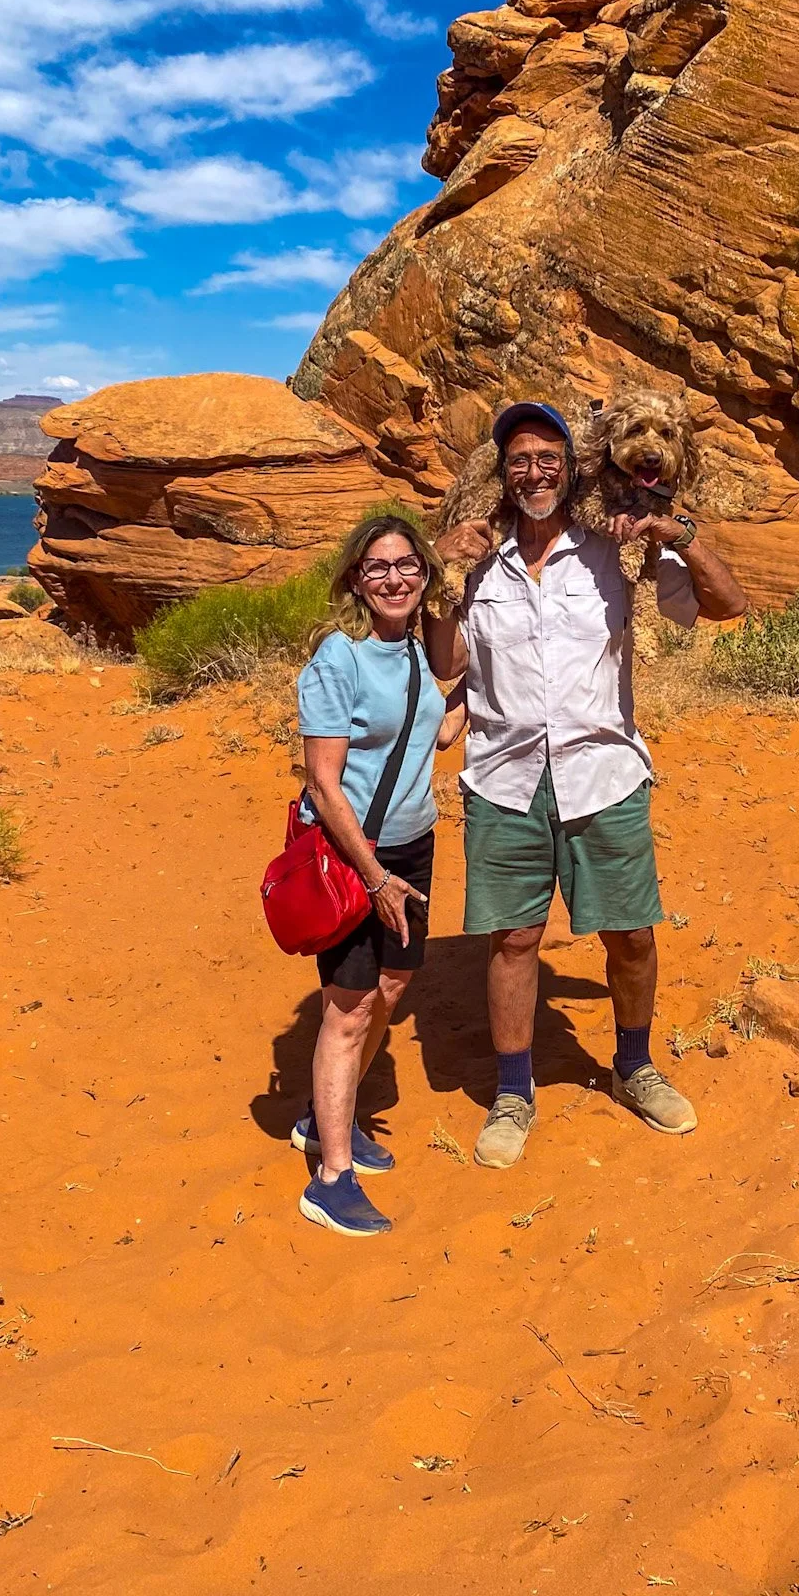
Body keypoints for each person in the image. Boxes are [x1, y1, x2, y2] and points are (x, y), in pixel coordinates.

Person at [426, 402, 747, 1169]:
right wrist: (444, 570)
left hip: (603, 774)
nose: (534, 472)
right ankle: (512, 1092)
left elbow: (727, 606)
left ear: (572, 468)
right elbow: (446, 666)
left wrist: (683, 535)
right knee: (514, 940)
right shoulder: (479, 558)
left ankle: (634, 1067)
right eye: (519, 461)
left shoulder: (617, 547)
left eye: (549, 459)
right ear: (501, 475)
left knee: (631, 935)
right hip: (504, 780)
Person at [291, 514, 465, 1235]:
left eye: (407, 566)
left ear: (424, 576)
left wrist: (492, 694)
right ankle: (331, 1178)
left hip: (413, 847)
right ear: (356, 583)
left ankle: (324, 1118)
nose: (394, 578)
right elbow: (326, 786)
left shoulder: (419, 654)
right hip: (351, 856)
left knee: (394, 984)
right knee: (350, 1007)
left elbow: (435, 731)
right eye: (378, 568)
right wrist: (374, 878)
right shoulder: (340, 659)